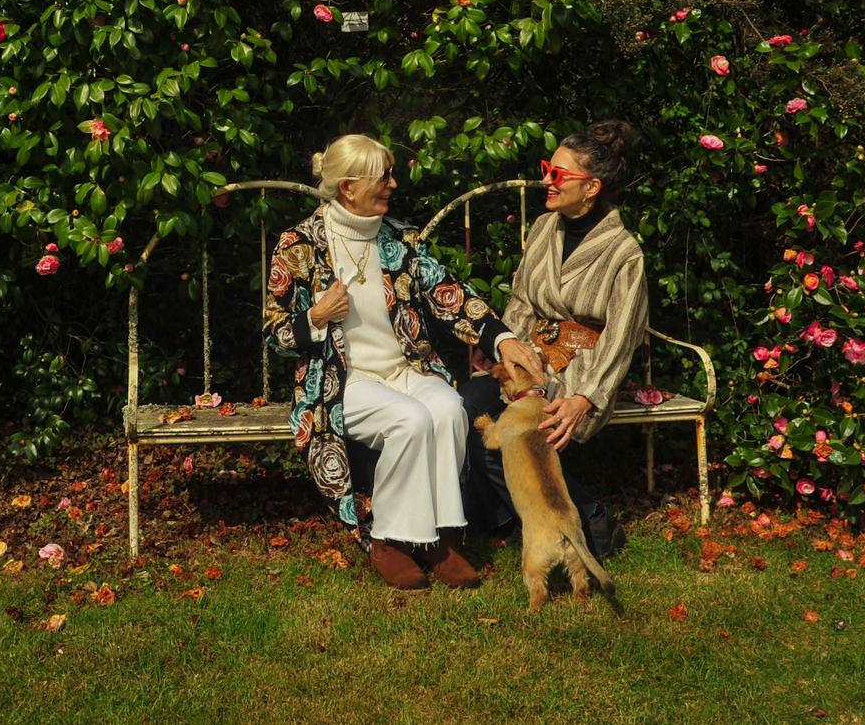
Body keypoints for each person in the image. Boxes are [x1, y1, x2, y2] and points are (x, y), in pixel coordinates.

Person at [262, 133, 549, 590]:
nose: (393, 184)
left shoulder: (399, 240)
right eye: (384, 176)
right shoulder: (299, 244)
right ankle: (390, 541)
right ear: (348, 187)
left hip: (405, 369)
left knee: (449, 409)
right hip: (341, 380)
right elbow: (274, 333)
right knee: (411, 420)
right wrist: (315, 317)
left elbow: (448, 294)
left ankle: (438, 539)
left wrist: (503, 339)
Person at [462, 120, 647, 559]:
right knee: (465, 411)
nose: (546, 179)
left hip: (585, 372)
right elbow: (523, 299)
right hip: (528, 360)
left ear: (591, 187)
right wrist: (501, 349)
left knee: (521, 431)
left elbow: (620, 339)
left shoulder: (625, 253)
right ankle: (516, 519)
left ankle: (592, 522)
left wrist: (586, 397)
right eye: (548, 167)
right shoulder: (546, 227)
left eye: (558, 173)